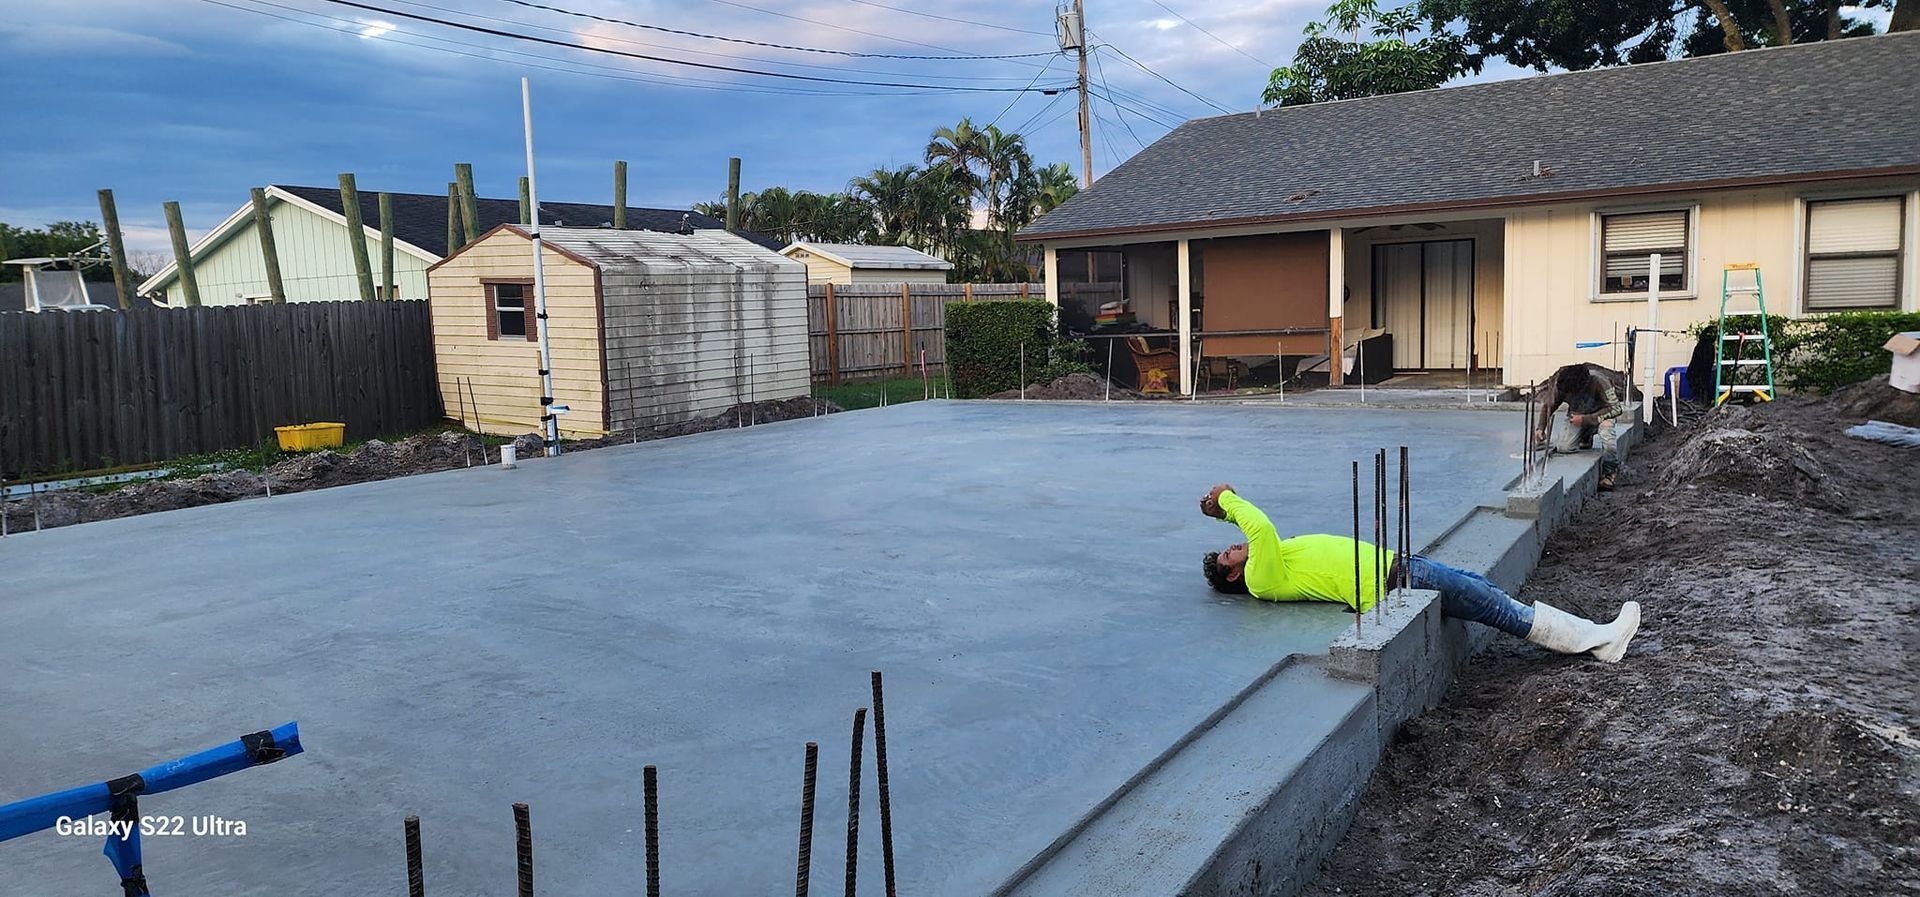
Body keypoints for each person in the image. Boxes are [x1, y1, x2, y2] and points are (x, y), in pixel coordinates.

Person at [1199, 484, 1640, 662]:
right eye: (1227, 558)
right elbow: (1259, 526)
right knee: (1495, 606)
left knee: (1482, 590)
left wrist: (1222, 514)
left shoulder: (1265, 559)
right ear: (1235, 578)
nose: (1234, 548)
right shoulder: (1261, 577)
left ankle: (1595, 641)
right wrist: (1228, 501)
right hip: (1393, 581)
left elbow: (1255, 533)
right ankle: (1598, 640)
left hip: (1397, 568)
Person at [1533, 362, 1627, 490]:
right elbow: (1549, 406)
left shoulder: (1599, 381)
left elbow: (1616, 409)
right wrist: (1540, 427)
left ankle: (1609, 473)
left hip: (1602, 416)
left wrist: (1585, 420)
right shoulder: (1563, 384)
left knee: (1607, 435)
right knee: (1564, 447)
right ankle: (1585, 436)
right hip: (1578, 417)